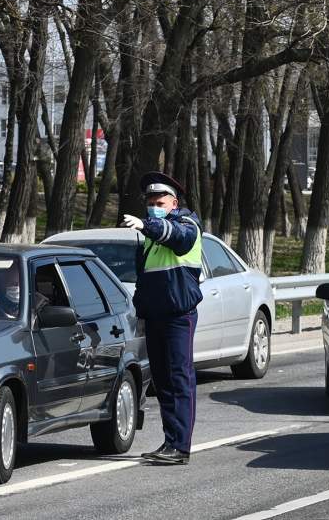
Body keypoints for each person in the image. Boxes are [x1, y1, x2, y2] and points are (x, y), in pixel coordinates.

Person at [121, 171, 203, 465]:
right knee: (164, 381)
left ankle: (180, 447)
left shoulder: (186, 224)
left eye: (160, 201)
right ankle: (170, 442)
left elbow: (178, 238)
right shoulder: (149, 239)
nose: (154, 205)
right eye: (150, 202)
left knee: (180, 379)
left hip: (178, 315)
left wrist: (148, 224)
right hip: (155, 316)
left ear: (174, 202)